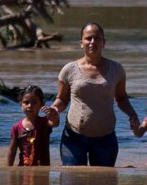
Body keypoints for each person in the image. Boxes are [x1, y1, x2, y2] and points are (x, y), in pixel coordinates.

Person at [53, 22, 130, 167]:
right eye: (88, 38)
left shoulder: (117, 69)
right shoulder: (69, 69)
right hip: (73, 138)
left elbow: (122, 98)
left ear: (104, 43)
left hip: (106, 139)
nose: (92, 42)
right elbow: (62, 99)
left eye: (97, 38)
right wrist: (54, 110)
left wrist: (132, 115)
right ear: (81, 43)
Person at [8, 85, 55, 166]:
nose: (30, 106)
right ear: (20, 104)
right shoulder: (16, 127)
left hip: (42, 171)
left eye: (34, 103)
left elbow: (55, 123)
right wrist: (9, 170)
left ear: (42, 104)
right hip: (23, 170)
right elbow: (12, 151)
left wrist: (54, 115)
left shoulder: (45, 122)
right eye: (26, 103)